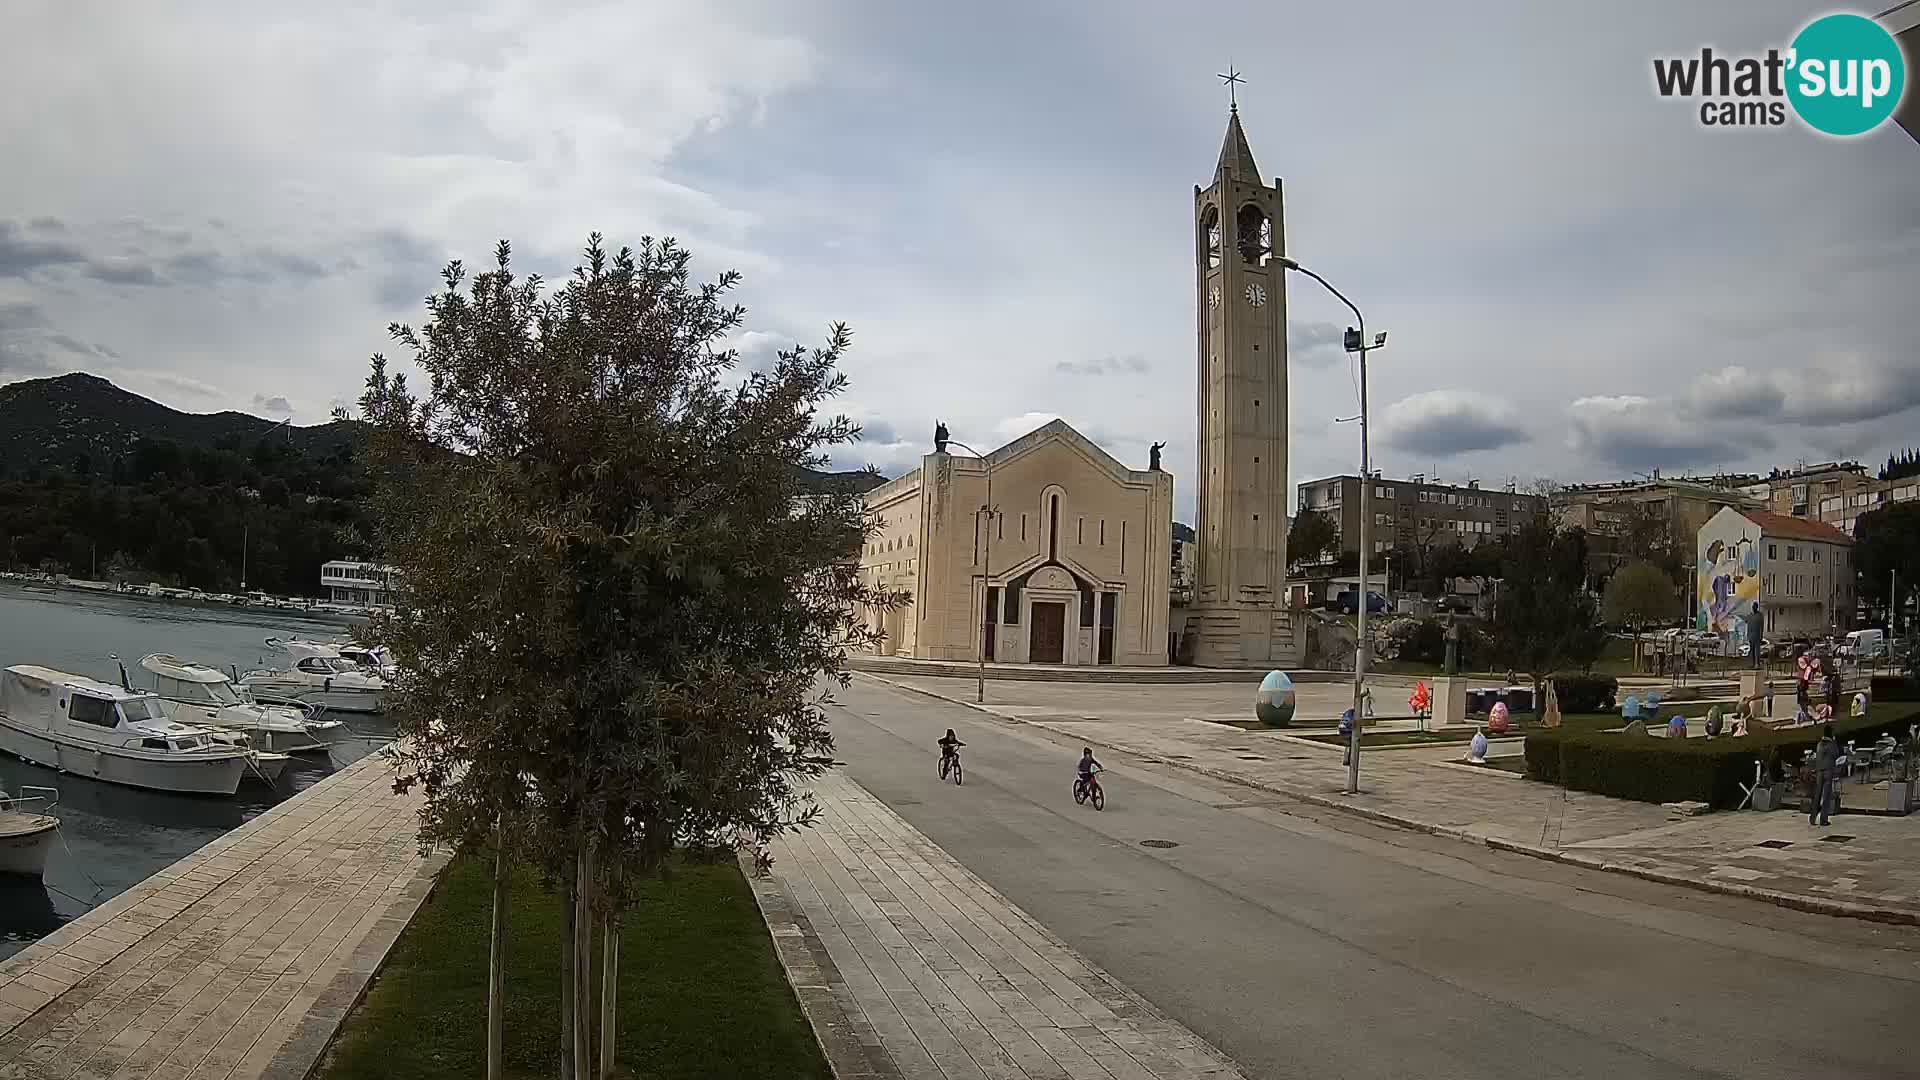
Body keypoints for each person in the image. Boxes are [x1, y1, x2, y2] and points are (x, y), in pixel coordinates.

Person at [1810, 724, 1841, 827]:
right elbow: (1836, 754)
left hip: (1819, 771)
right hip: (1828, 770)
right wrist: (1835, 742)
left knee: (1817, 795)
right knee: (1826, 796)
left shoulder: (1819, 744)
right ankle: (1823, 819)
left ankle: (1813, 818)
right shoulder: (1831, 744)